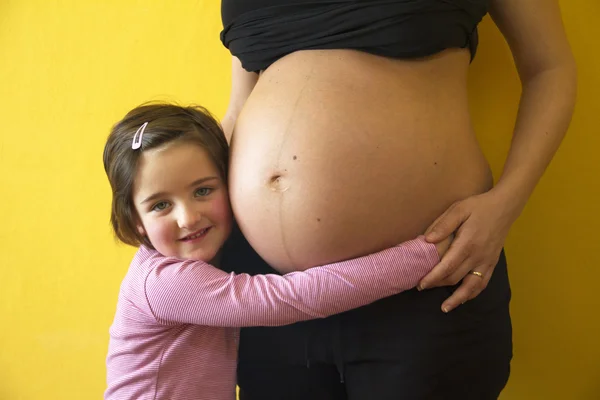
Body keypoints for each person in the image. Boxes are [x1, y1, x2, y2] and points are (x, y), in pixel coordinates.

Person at [219, 0, 577, 399]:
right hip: (267, 292)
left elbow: (550, 69)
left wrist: (505, 206)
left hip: (426, 276)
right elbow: (239, 106)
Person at [101, 103, 452, 400]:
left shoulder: (195, 259)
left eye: (203, 191)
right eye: (161, 204)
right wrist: (423, 255)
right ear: (135, 223)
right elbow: (288, 297)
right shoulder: (165, 283)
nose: (188, 217)